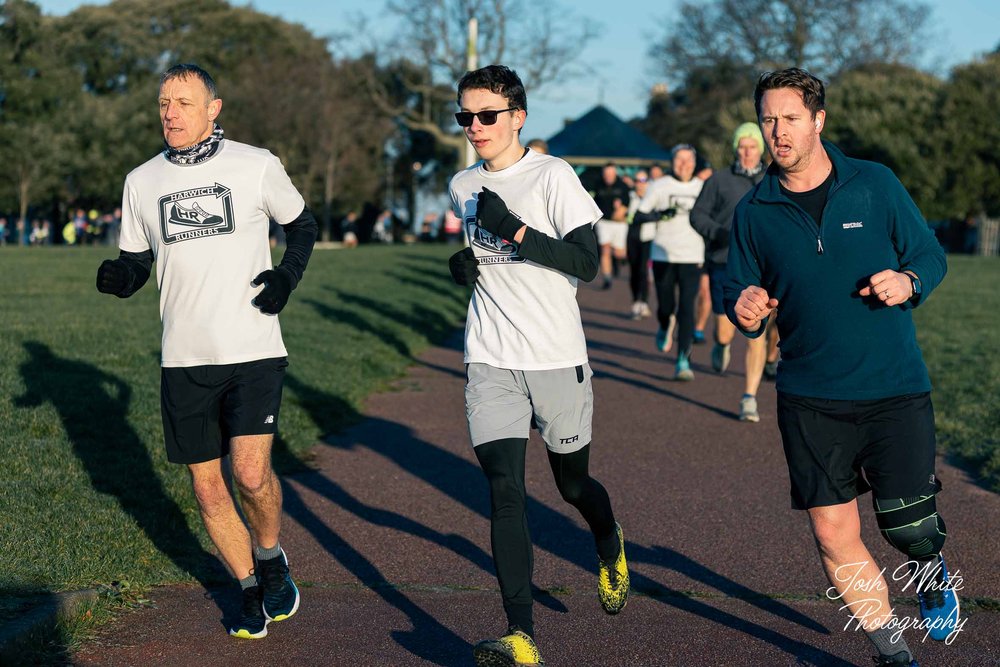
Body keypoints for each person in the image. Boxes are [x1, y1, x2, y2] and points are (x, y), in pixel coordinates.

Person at [726, 68, 956, 666]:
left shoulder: (874, 184)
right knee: (833, 532)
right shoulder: (755, 210)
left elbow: (929, 254)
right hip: (809, 395)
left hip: (893, 387)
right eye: (768, 119)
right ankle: (892, 653)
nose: (778, 132)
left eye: (790, 118)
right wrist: (744, 307)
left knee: (907, 525)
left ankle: (930, 569)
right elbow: (739, 291)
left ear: (819, 121)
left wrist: (909, 281)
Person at [95, 63, 317, 640]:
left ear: (213, 108)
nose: (170, 112)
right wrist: (122, 277)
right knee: (206, 487)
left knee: (248, 473)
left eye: (183, 102)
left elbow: (303, 225)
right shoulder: (141, 180)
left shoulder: (255, 164)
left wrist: (287, 277)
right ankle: (247, 587)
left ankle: (270, 557)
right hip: (184, 356)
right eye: (164, 102)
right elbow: (139, 259)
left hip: (252, 347)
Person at [447, 64, 629, 667]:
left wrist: (515, 229)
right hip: (491, 357)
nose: (475, 126)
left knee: (572, 484)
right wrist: (461, 266)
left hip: (555, 357)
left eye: (487, 115)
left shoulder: (553, 176)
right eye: (465, 116)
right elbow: (477, 252)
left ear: (518, 117)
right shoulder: (461, 185)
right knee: (504, 492)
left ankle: (608, 542)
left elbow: (587, 264)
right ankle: (520, 635)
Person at [691, 122, 768, 421]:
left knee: (756, 332)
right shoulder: (719, 180)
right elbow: (697, 214)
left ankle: (749, 397)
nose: (747, 152)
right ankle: (721, 344)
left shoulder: (771, 180)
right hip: (724, 261)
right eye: (743, 146)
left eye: (753, 146)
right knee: (725, 329)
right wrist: (718, 233)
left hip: (762, 266)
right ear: (736, 148)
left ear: (760, 149)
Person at [635, 144, 705, 380]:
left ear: (695, 164)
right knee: (666, 306)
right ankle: (665, 324)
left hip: (693, 256)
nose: (684, 164)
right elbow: (640, 214)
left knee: (687, 307)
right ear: (672, 162)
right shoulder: (660, 185)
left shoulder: (703, 188)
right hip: (663, 254)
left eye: (688, 160)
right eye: (679, 160)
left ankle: (683, 360)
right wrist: (659, 214)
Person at [590, 163, 631, 290]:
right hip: (604, 222)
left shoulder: (622, 186)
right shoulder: (597, 184)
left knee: (619, 253)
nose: (608, 176)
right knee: (605, 249)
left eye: (610, 174)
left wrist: (622, 209)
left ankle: (617, 261)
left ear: (615, 173)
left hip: (619, 224)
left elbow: (627, 203)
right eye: (606, 174)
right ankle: (607, 278)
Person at [625, 169, 653, 319]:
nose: (640, 184)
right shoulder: (629, 197)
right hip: (632, 237)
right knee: (634, 271)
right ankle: (636, 300)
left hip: (648, 238)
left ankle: (644, 302)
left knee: (643, 271)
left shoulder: (652, 198)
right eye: (637, 181)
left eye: (643, 181)